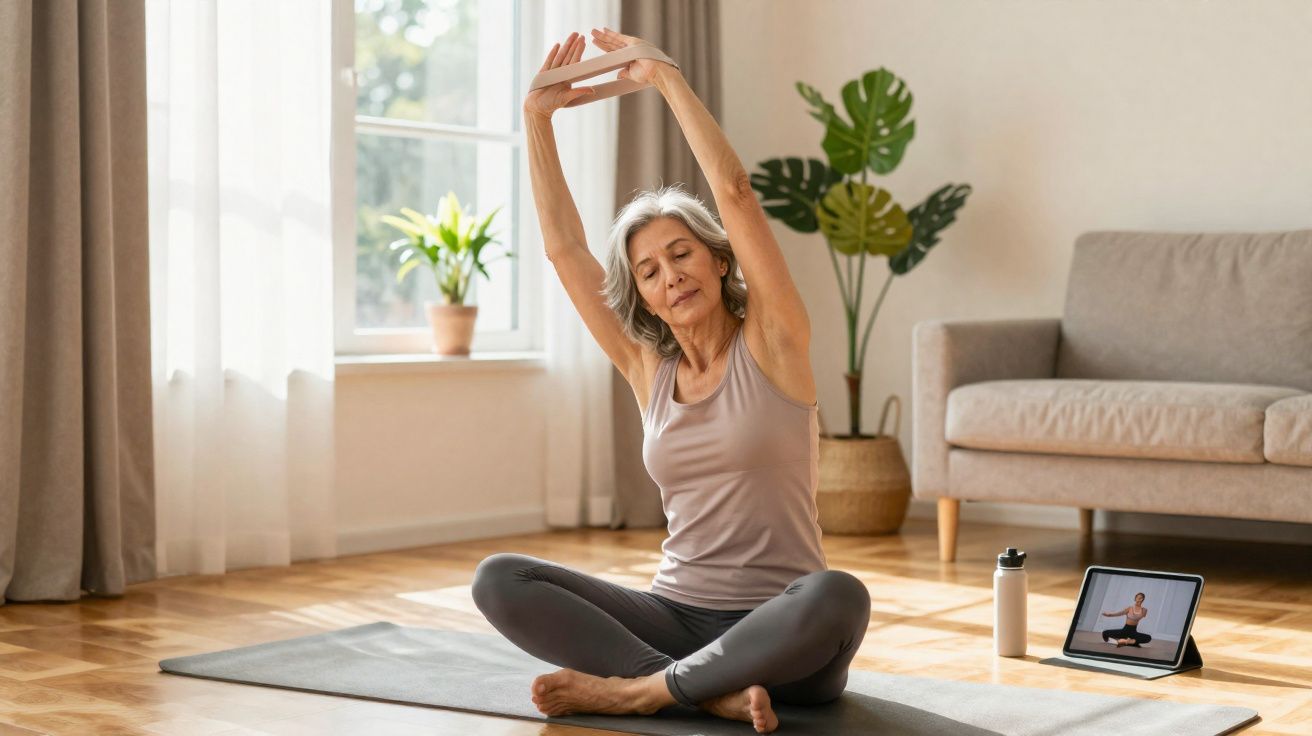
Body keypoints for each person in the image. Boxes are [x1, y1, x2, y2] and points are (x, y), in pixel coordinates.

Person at [469, 27, 870, 735]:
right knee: (500, 578)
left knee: (838, 595)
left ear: (718, 261)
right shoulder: (646, 366)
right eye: (649, 271)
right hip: (676, 617)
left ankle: (639, 693)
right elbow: (564, 250)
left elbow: (738, 194)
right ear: (643, 298)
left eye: (681, 253)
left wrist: (666, 79)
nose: (669, 274)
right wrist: (537, 118)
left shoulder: (775, 340)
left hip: (781, 634)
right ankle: (693, 689)